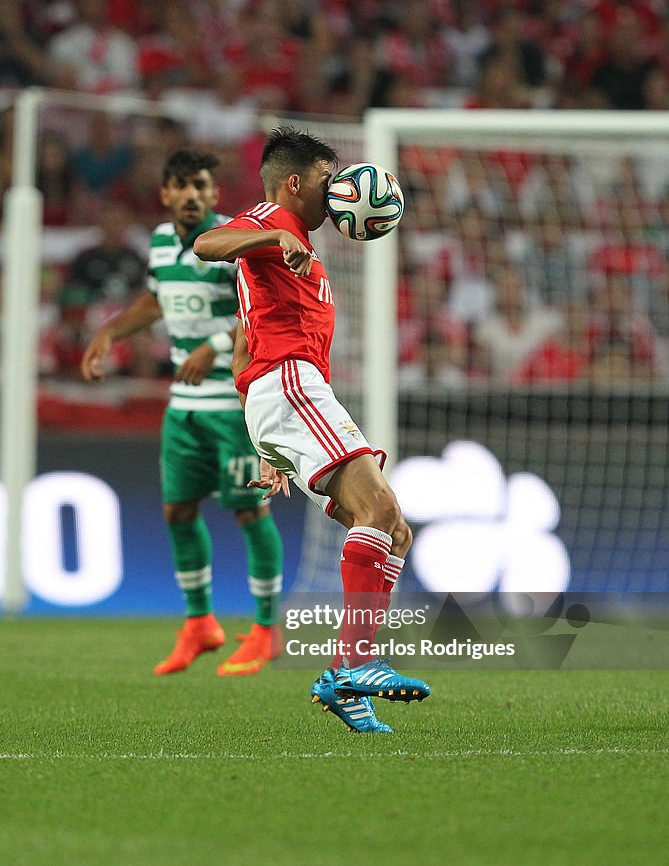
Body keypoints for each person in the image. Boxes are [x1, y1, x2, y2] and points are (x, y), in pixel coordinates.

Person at [194, 127, 430, 734]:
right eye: (330, 180)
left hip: (289, 393)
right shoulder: (274, 222)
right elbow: (206, 242)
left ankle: (343, 680)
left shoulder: (295, 244)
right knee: (378, 508)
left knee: (393, 529)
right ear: (296, 182)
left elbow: (247, 334)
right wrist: (272, 233)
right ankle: (360, 662)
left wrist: (266, 439)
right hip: (290, 384)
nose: (340, 191)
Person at [81, 148, 284, 677]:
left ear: (215, 194)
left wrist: (214, 347)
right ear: (165, 193)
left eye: (200, 186)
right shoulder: (159, 242)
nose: (191, 194)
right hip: (184, 408)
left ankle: (266, 630)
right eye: (181, 186)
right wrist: (109, 332)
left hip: (230, 403)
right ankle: (200, 624)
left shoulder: (231, 242)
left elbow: (258, 310)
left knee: (248, 512)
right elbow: (158, 301)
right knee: (178, 512)